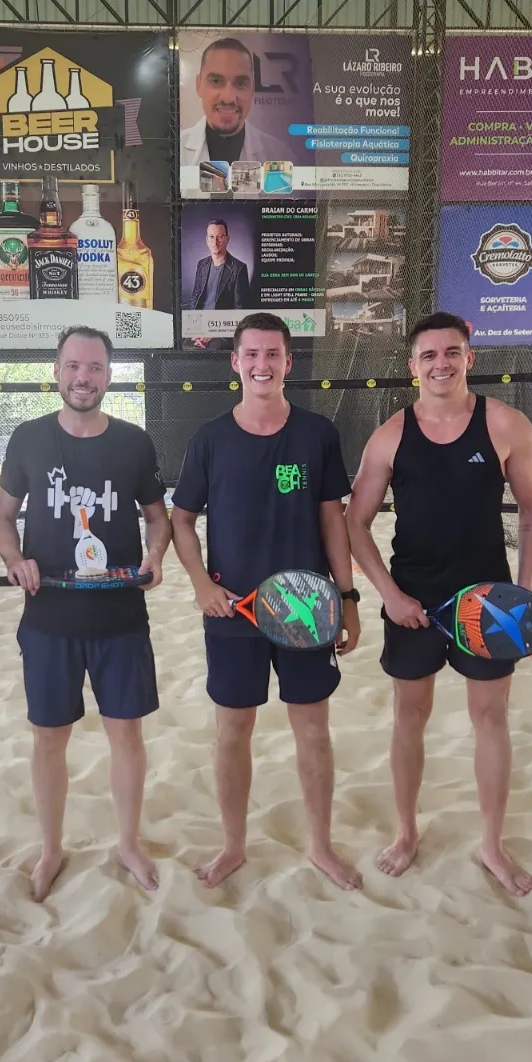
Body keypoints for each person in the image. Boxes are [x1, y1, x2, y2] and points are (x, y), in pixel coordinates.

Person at [346, 310, 532, 897]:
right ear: (412, 367)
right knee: (410, 716)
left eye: (451, 352)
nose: (441, 363)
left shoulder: (506, 425)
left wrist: (525, 588)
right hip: (413, 600)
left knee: (490, 718)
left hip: (488, 601)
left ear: (470, 359)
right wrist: (389, 595)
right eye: (428, 355)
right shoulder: (389, 435)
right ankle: (406, 832)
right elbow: (355, 523)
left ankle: (491, 844)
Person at [170, 311, 362, 889]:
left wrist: (347, 598)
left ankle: (321, 846)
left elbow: (335, 521)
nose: (261, 364)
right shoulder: (209, 439)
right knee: (233, 733)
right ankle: (233, 845)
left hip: (305, 609)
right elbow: (181, 521)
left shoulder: (317, 434)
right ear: (235, 362)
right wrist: (202, 585)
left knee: (312, 731)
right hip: (233, 613)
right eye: (251, 354)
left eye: (272, 354)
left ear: (287, 362)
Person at [0, 326, 171, 902]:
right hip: (49, 618)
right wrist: (15, 559)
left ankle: (127, 843)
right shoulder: (28, 439)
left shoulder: (134, 443)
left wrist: (155, 554)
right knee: (49, 739)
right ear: (57, 371)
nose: (83, 377)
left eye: (94, 367)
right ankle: (50, 849)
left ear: (109, 375)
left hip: (119, 616)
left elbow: (157, 516)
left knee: (127, 735)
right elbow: (1, 520)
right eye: (73, 366)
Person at [180, 38, 290, 171]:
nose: (228, 98)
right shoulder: (173, 152)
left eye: (241, 83)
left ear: (252, 88)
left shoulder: (281, 154)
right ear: (198, 85)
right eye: (216, 81)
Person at [190, 220, 252, 313]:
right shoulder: (201, 264)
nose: (215, 242)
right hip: (201, 321)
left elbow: (240, 309)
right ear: (207, 240)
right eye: (212, 237)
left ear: (227, 239)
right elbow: (195, 297)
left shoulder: (239, 269)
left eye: (220, 237)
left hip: (222, 323)